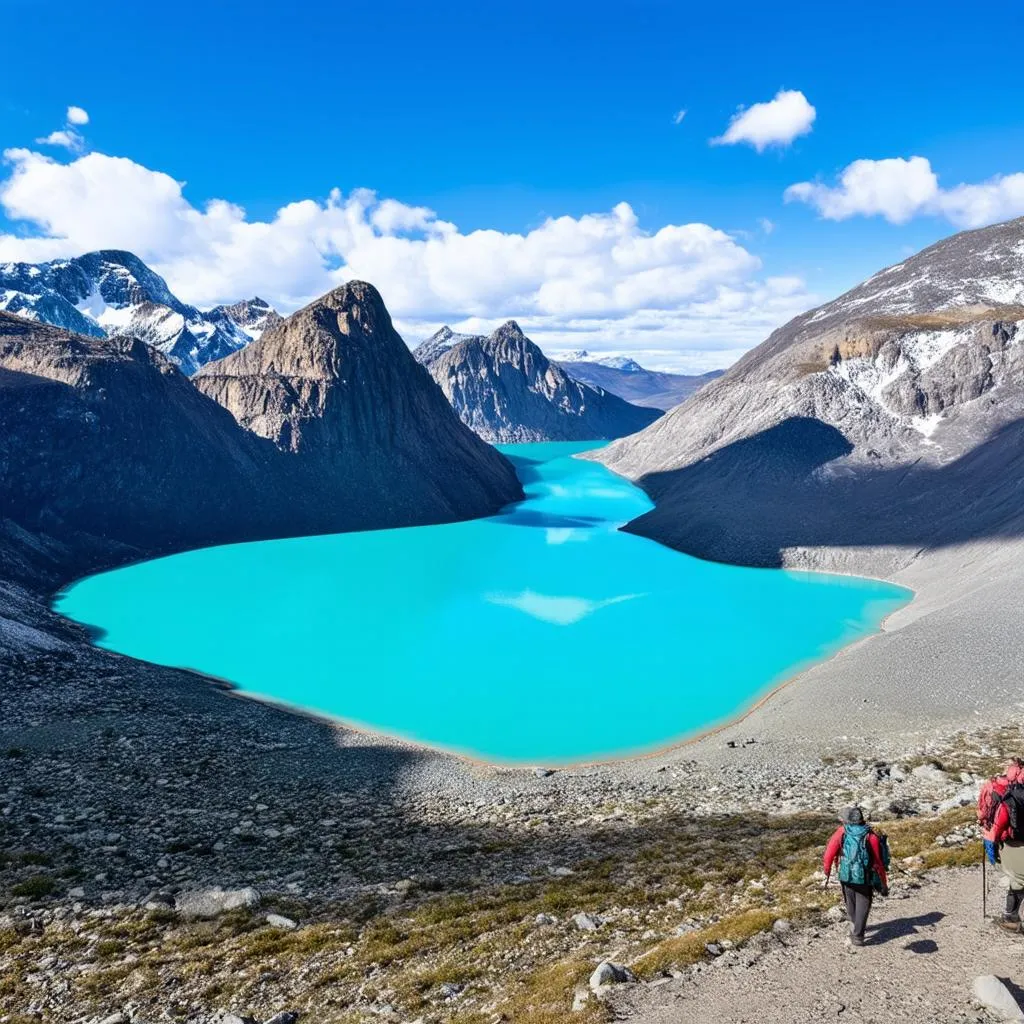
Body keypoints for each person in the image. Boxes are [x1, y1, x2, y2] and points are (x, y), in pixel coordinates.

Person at [823, 806, 889, 946]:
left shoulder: (841, 832)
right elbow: (878, 862)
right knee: (864, 902)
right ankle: (858, 936)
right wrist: (883, 882)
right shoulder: (871, 835)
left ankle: (854, 925)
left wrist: (827, 871)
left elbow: (829, 854)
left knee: (850, 900)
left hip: (845, 874)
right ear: (861, 819)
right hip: (864, 876)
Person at [989, 780, 1024, 932]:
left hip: (1012, 845)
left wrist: (992, 845)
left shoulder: (1008, 800)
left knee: (1017, 882)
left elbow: (997, 827)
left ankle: (1012, 918)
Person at [978, 759, 1024, 866]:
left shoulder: (995, 787)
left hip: (1006, 843)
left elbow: (985, 814)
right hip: (1018, 839)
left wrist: (989, 838)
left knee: (1013, 876)